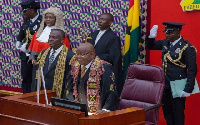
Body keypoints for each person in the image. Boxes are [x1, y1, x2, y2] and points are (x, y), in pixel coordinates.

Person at [146, 22, 197, 125]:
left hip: (179, 84)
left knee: (177, 113)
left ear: (178, 32)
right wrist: (151, 37)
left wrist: (188, 88)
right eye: (166, 32)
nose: (167, 35)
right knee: (167, 112)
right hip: (165, 83)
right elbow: (150, 46)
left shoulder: (186, 47)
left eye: (170, 33)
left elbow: (192, 70)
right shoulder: (165, 43)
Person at [65, 43, 118, 114]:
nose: (78, 57)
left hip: (97, 112)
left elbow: (111, 91)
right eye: (77, 54)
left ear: (92, 54)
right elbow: (69, 89)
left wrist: (105, 110)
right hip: (79, 111)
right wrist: (73, 105)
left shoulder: (103, 68)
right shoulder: (75, 66)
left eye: (82, 54)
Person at [27, 7, 71, 91]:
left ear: (57, 19)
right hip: (37, 66)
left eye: (51, 17)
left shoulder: (61, 36)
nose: (48, 19)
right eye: (46, 17)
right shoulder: (39, 33)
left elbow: (65, 54)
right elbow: (33, 49)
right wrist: (33, 60)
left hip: (53, 67)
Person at [87, 13, 123, 96]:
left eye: (103, 20)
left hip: (103, 71)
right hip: (90, 70)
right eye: (99, 19)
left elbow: (113, 56)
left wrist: (94, 57)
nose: (100, 21)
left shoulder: (113, 38)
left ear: (110, 23)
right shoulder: (92, 35)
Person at [34, 29, 74, 98]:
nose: (50, 39)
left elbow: (70, 81)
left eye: (54, 37)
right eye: (50, 37)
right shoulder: (43, 53)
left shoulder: (70, 56)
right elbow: (37, 75)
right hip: (42, 93)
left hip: (58, 95)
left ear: (62, 40)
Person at [16, 0, 42, 93]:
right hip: (25, 56)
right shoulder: (27, 20)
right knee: (26, 78)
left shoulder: (42, 21)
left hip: (35, 55)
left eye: (25, 11)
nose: (23, 13)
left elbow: (39, 38)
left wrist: (27, 46)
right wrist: (19, 40)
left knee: (35, 79)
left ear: (32, 10)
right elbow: (23, 31)